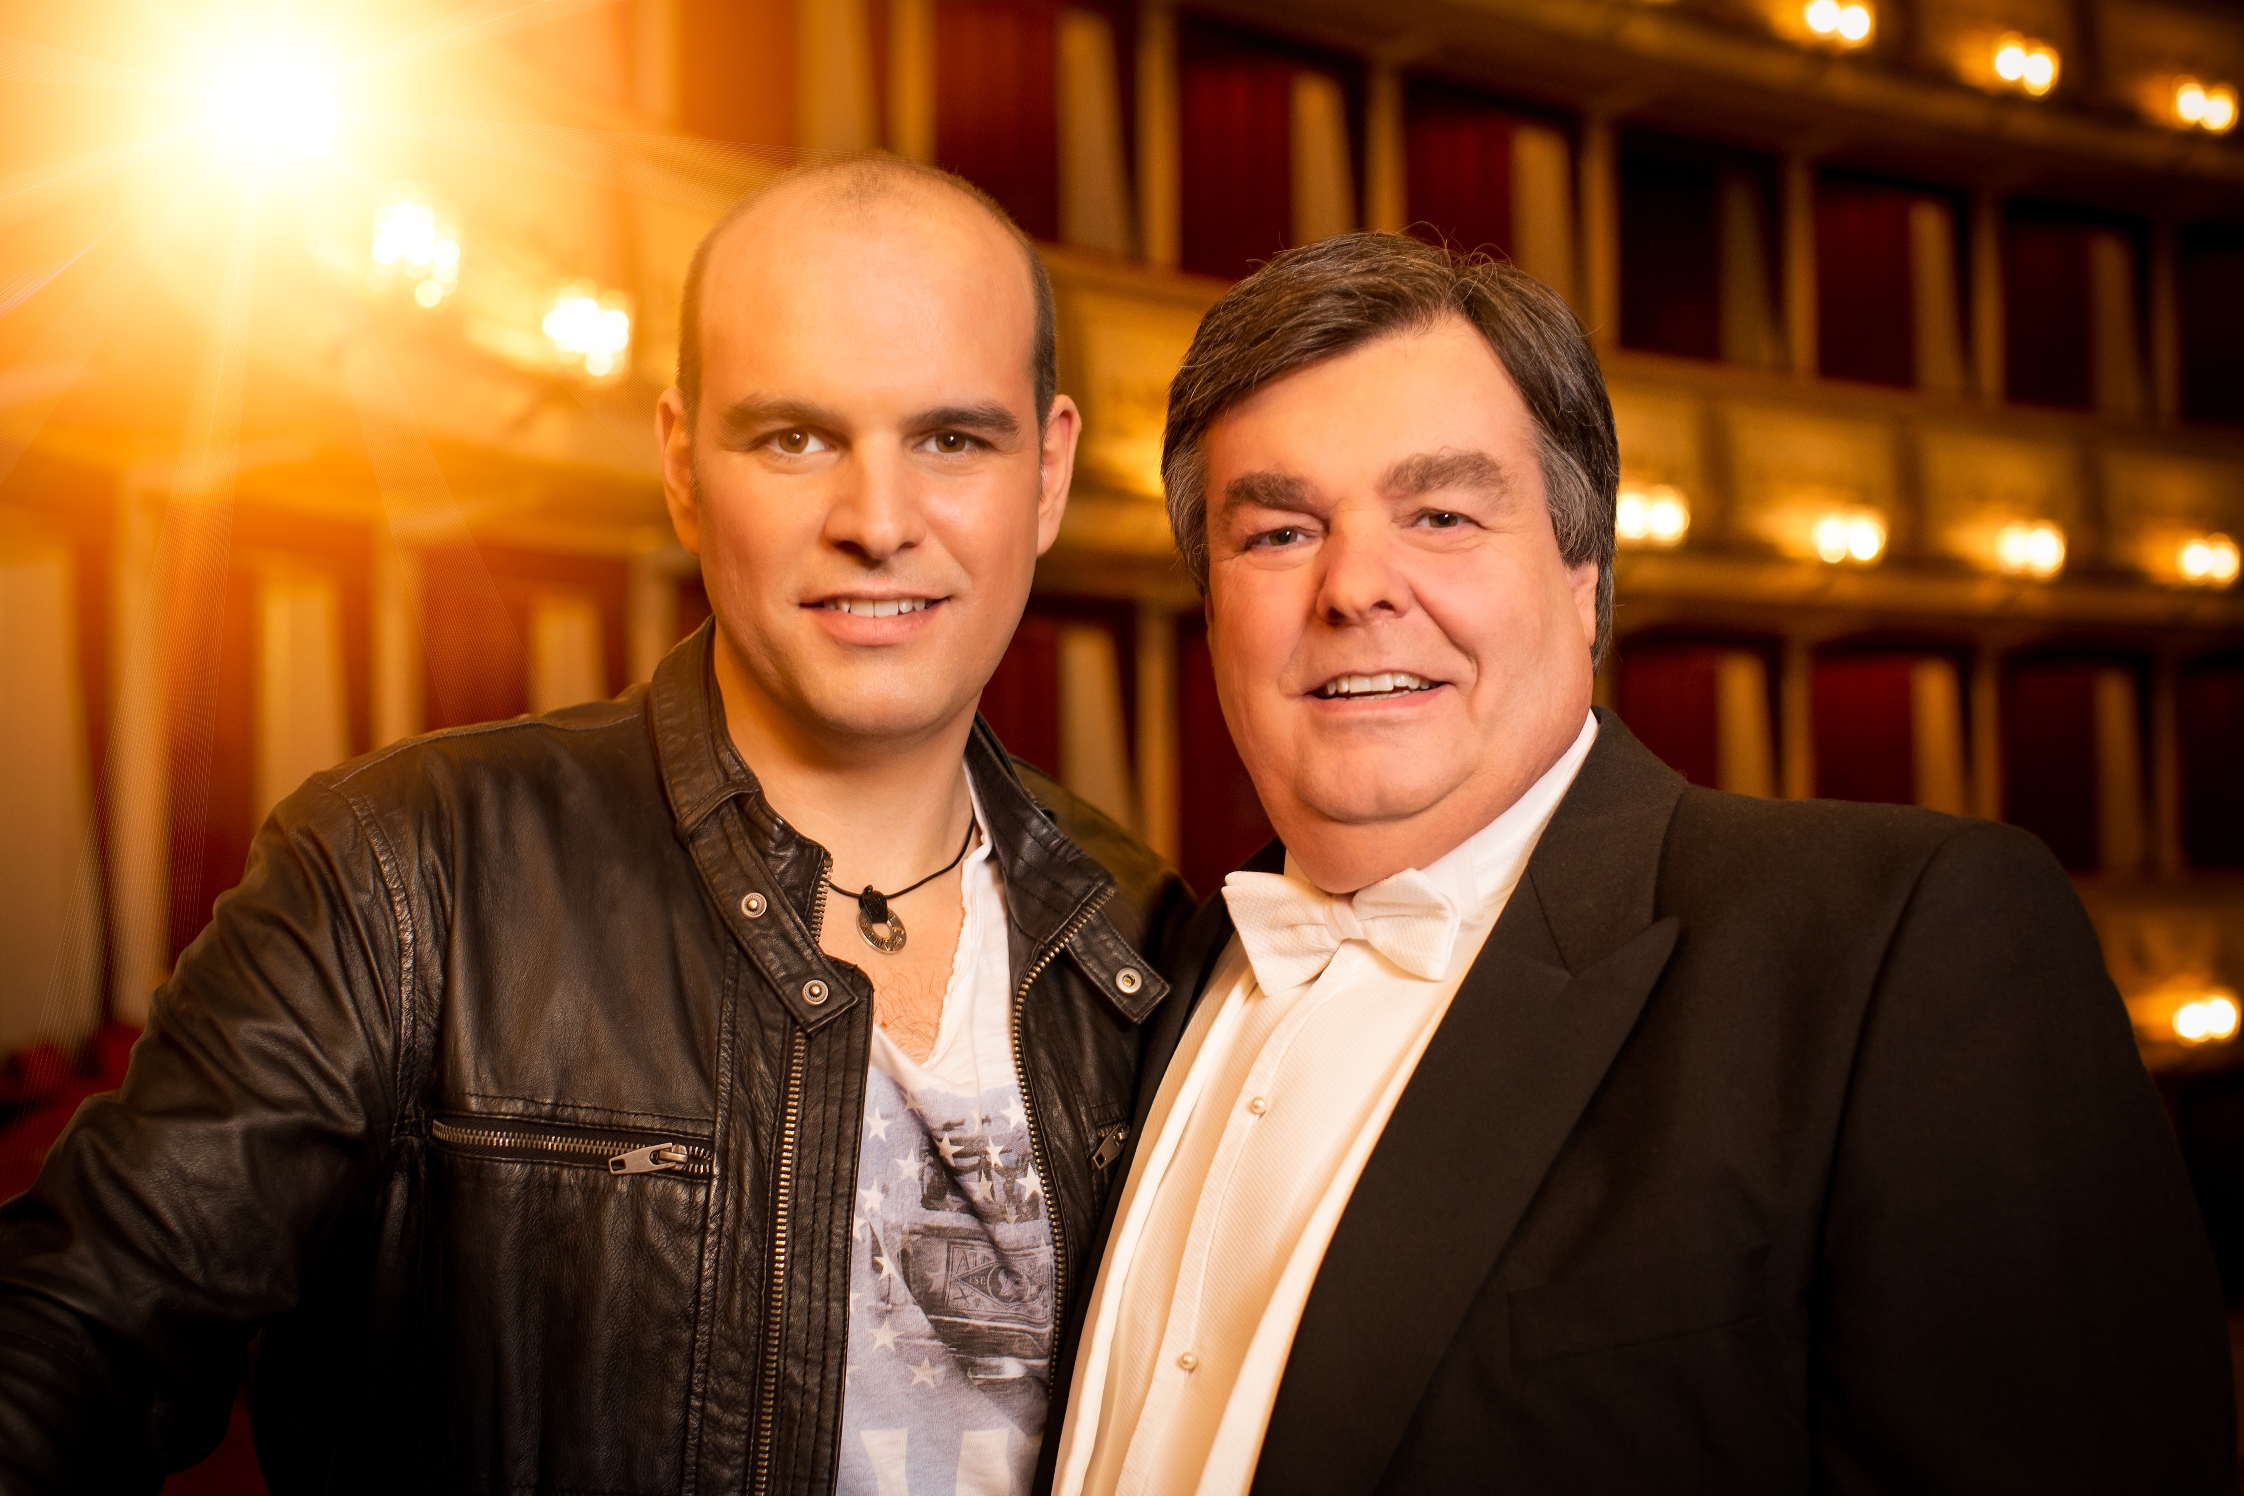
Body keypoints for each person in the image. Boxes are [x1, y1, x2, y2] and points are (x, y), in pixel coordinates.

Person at [0, 157, 1192, 1494]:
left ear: (1050, 472)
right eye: (794, 439)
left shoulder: (1154, 939)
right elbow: (71, 1340)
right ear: (682, 467)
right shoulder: (404, 871)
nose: (876, 521)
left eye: (952, 440)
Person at [1047, 233, 2235, 1495]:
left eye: (1441, 515)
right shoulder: (1129, 984)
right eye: (1280, 533)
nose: (1355, 589)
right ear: (1211, 605)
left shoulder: (1896, 944)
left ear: (1585, 578)